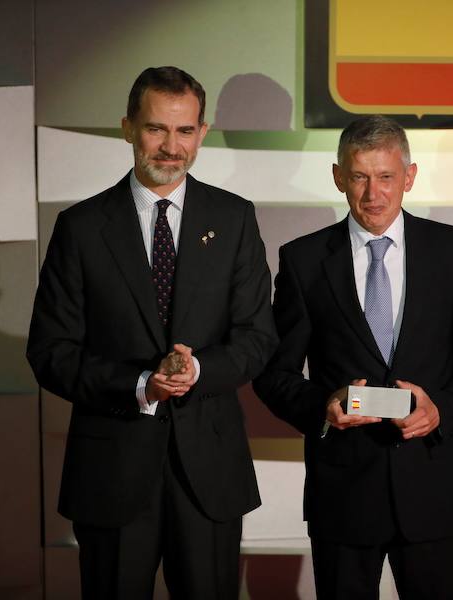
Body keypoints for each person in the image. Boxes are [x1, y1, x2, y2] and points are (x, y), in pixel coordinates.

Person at [27, 66, 278, 599]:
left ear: (202, 133)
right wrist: (142, 383)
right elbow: (50, 351)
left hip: (208, 474)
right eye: (155, 129)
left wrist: (198, 371)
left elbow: (258, 336)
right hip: (111, 471)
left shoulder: (234, 219)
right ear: (127, 128)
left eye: (184, 131)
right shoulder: (80, 228)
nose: (170, 146)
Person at [254, 115, 453, 599]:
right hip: (343, 494)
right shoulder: (302, 260)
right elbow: (272, 373)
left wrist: (441, 409)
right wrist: (323, 405)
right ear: (338, 176)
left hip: (432, 489)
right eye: (359, 177)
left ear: (410, 176)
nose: (373, 194)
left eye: (386, 177)